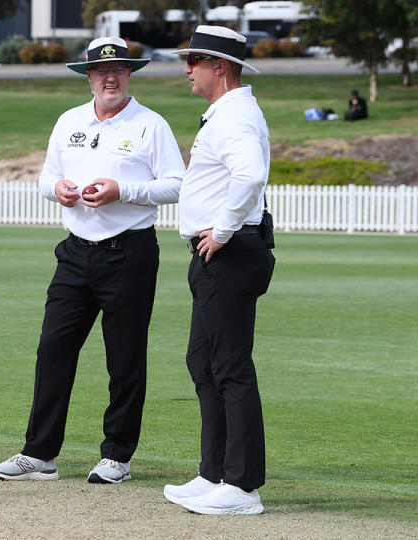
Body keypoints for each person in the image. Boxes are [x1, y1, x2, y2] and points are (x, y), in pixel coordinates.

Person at [0, 37, 184, 484]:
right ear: (88, 76)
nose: (109, 78)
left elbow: (176, 184)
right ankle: (39, 454)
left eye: (117, 70)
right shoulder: (69, 120)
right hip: (75, 251)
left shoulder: (151, 125)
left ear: (130, 74)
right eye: (100, 71)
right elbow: (47, 176)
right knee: (53, 350)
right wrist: (56, 190)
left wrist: (122, 190)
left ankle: (117, 455)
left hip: (128, 251)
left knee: (125, 358)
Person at [164, 25, 275, 515]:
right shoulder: (226, 113)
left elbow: (250, 174)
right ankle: (214, 472)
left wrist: (223, 230)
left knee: (229, 366)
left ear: (220, 67)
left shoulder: (234, 116)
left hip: (227, 254)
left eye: (195, 61)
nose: (186, 69)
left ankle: (242, 486)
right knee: (203, 362)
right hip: (216, 256)